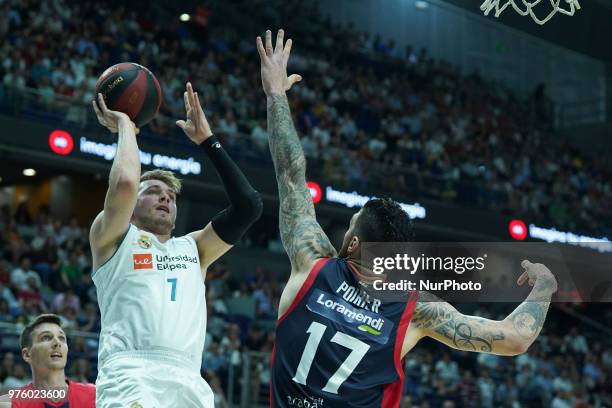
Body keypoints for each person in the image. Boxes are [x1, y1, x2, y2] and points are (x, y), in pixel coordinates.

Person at [257, 29, 558, 408]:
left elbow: (290, 173)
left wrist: (276, 96)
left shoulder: (312, 262)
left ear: (353, 245)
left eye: (349, 225)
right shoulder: (416, 310)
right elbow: (515, 337)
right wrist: (545, 285)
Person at [89, 82, 262, 407]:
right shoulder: (112, 237)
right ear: (133, 204)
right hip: (131, 374)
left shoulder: (194, 249)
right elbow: (126, 182)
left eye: (170, 195)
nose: (165, 197)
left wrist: (209, 142)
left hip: (188, 381)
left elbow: (249, 207)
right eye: (153, 191)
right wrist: (126, 124)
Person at [0, 314, 95, 408]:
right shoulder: (9, 404)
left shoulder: (95, 395)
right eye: (46, 337)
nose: (57, 343)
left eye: (61, 338)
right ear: (27, 354)